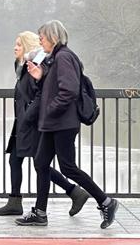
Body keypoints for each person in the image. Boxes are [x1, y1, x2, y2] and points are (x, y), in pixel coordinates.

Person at [16, 20, 118, 229]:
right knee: (41, 163)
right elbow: (53, 85)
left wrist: (50, 109)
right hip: (53, 123)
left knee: (68, 168)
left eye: (42, 37)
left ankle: (106, 202)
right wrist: (41, 75)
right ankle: (40, 213)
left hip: (62, 123)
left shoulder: (63, 57)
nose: (41, 41)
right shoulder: (55, 58)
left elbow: (69, 91)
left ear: (53, 37)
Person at [0, 31, 89, 216]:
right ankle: (15, 201)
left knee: (40, 164)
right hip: (23, 122)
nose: (15, 48)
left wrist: (29, 115)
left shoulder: (35, 66)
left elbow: (39, 94)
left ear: (28, 47)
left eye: (19, 45)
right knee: (16, 159)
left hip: (33, 123)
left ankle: (73, 191)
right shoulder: (21, 66)